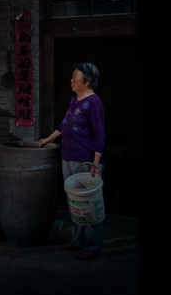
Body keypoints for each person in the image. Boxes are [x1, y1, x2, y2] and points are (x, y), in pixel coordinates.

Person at [39, 62, 106, 260]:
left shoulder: (94, 102)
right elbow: (65, 123)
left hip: (85, 161)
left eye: (75, 76)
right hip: (67, 157)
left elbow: (100, 134)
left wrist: (96, 163)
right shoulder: (75, 99)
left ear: (88, 80)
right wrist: (49, 139)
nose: (71, 79)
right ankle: (77, 239)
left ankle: (93, 245)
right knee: (75, 203)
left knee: (89, 205)